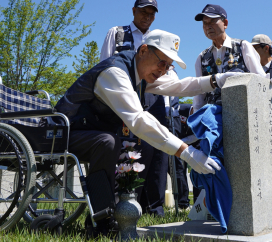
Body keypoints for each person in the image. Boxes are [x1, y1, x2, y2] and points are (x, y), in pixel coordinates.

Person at [55, 29, 241, 234]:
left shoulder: (140, 73)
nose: (164, 70)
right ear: (143, 50)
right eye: (162, 62)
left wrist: (216, 80)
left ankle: (105, 216)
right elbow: (138, 120)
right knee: (107, 142)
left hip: (89, 134)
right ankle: (101, 221)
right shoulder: (115, 72)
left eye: (169, 66)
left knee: (108, 141)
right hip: (60, 134)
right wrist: (187, 152)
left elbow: (178, 85)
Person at [100, 0, 171, 217]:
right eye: (143, 11)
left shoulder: (158, 37)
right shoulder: (117, 33)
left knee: (158, 150)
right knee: (128, 148)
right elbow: (105, 62)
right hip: (125, 94)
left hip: (154, 96)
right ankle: (128, 203)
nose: (147, 17)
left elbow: (168, 71)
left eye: (152, 13)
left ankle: (155, 208)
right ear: (134, 11)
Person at [193, 4, 267, 112]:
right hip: (213, 120)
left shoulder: (243, 46)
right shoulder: (202, 57)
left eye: (213, 21)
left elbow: (260, 80)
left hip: (243, 115)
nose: (208, 26)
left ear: (225, 23)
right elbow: (199, 94)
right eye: (205, 23)